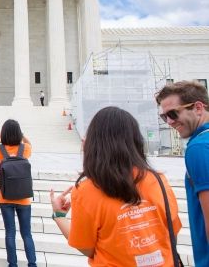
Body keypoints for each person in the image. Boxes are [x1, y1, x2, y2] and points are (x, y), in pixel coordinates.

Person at [50, 106, 182, 266]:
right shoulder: (158, 179)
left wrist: (59, 216)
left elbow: (86, 248)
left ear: (93, 143)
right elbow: (173, 230)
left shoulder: (86, 191)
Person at [156, 81, 209, 266]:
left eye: (173, 113)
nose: (170, 121)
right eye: (164, 117)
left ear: (198, 107)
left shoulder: (199, 147)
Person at [0, 120, 36, 267]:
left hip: (5, 198)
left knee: (10, 233)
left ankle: (13, 264)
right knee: (26, 233)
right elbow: (30, 144)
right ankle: (32, 263)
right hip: (24, 198)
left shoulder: (0, 151)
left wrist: (0, 133)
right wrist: (22, 135)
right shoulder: (25, 149)